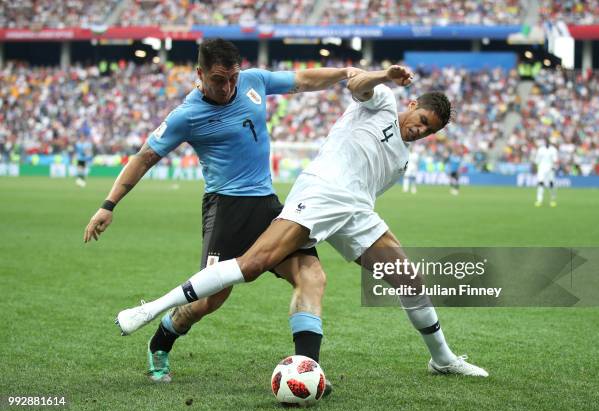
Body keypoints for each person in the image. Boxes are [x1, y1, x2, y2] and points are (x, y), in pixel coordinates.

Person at [116, 65, 489, 377]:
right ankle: (150, 311)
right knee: (251, 266)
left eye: (430, 131)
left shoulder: (403, 161)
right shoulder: (384, 102)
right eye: (422, 120)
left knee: (406, 277)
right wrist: (382, 75)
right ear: (412, 105)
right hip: (322, 190)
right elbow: (356, 85)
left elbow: (366, 188)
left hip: (356, 209)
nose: (422, 130)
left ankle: (441, 359)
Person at [84, 38, 360, 386]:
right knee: (208, 302)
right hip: (226, 210)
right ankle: (161, 340)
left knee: (312, 276)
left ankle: (306, 371)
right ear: (199, 74)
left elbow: (302, 80)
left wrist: (345, 73)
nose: (228, 87)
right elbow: (143, 157)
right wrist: (108, 205)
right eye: (218, 79)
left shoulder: (254, 81)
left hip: (269, 207)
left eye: (232, 77)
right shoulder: (186, 115)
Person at [534, 139, 559, 207]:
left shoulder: (553, 150)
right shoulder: (540, 149)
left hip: (550, 168)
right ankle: (539, 200)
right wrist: (536, 168)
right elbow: (537, 160)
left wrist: (554, 167)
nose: (547, 143)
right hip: (541, 169)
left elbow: (555, 160)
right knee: (540, 183)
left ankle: (552, 200)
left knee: (551, 184)